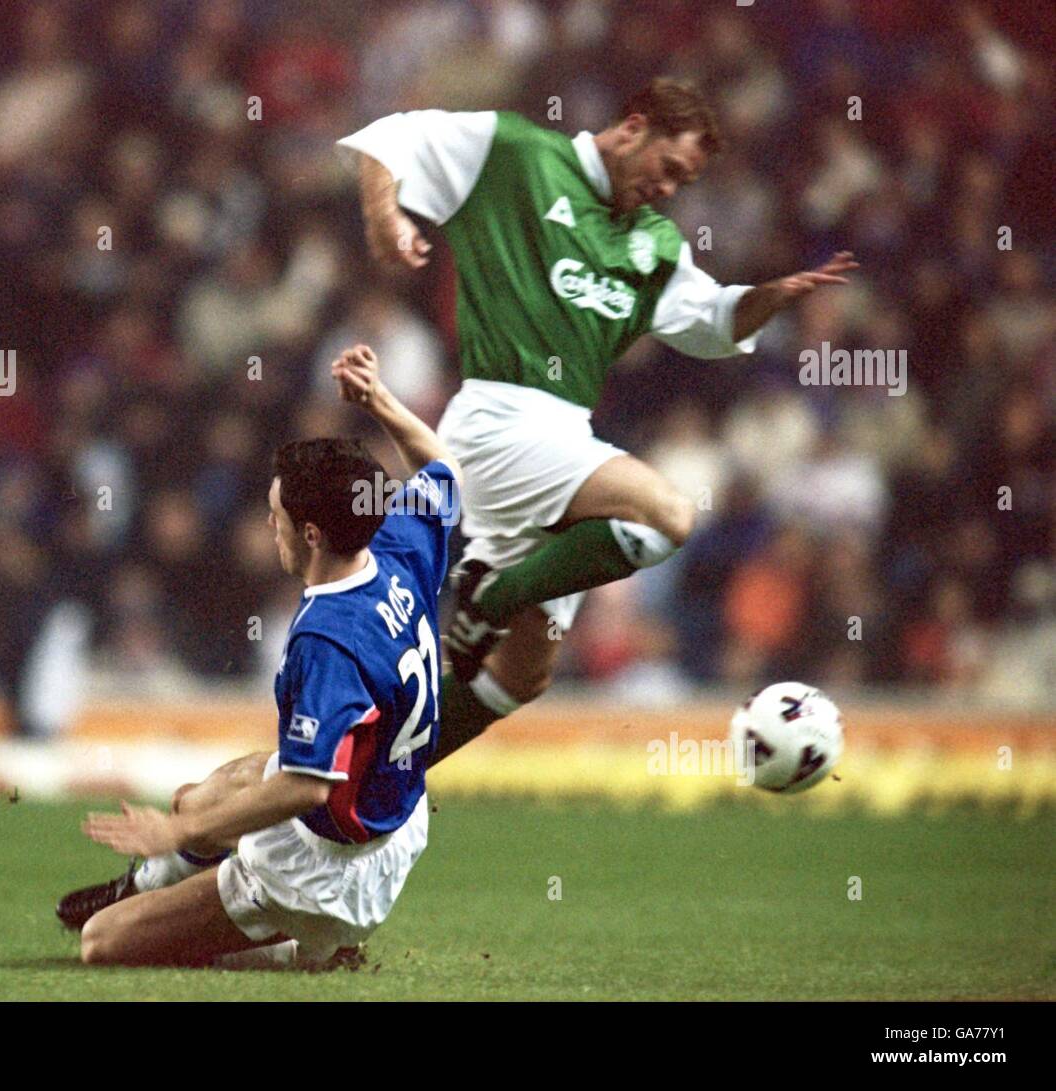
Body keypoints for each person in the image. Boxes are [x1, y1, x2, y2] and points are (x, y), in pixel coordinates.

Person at [338, 77, 857, 762]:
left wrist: (776, 296)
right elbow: (389, 138)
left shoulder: (653, 242)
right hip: (500, 419)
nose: (670, 189)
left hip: (563, 438)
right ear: (634, 127)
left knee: (524, 674)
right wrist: (385, 218)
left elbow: (716, 321)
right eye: (669, 169)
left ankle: (367, 773)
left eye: (685, 182)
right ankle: (490, 593)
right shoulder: (517, 152)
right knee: (664, 514)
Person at [56, 345, 461, 969]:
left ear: (310, 535)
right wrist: (378, 399)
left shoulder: (329, 638)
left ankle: (310, 950)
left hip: (324, 869)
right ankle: (144, 883)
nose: (267, 528)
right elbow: (444, 468)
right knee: (200, 798)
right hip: (392, 813)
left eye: (275, 517)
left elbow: (304, 788)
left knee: (103, 944)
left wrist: (179, 835)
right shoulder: (398, 545)